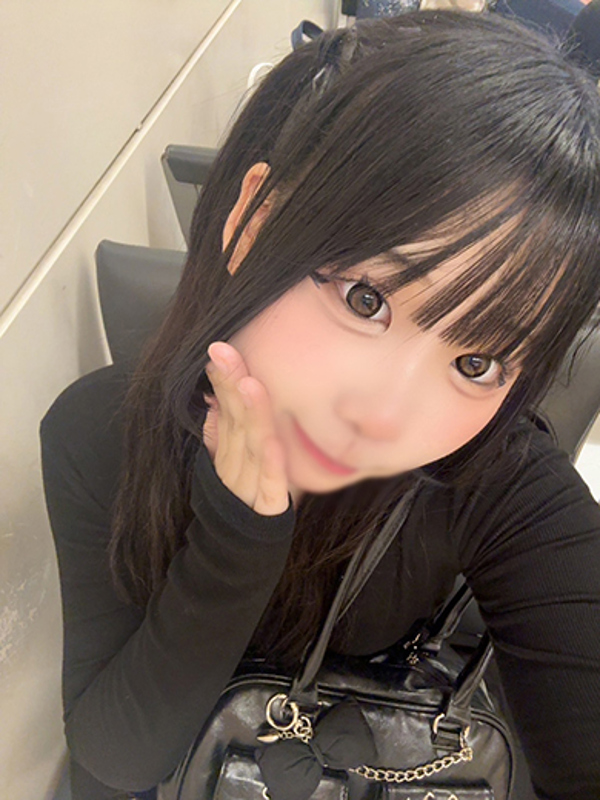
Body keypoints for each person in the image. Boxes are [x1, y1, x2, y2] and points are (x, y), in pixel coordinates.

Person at [40, 11, 600, 800]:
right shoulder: (97, 432)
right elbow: (113, 761)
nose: (386, 416)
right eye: (367, 299)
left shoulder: (491, 477)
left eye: (476, 362)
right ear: (254, 220)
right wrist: (236, 538)